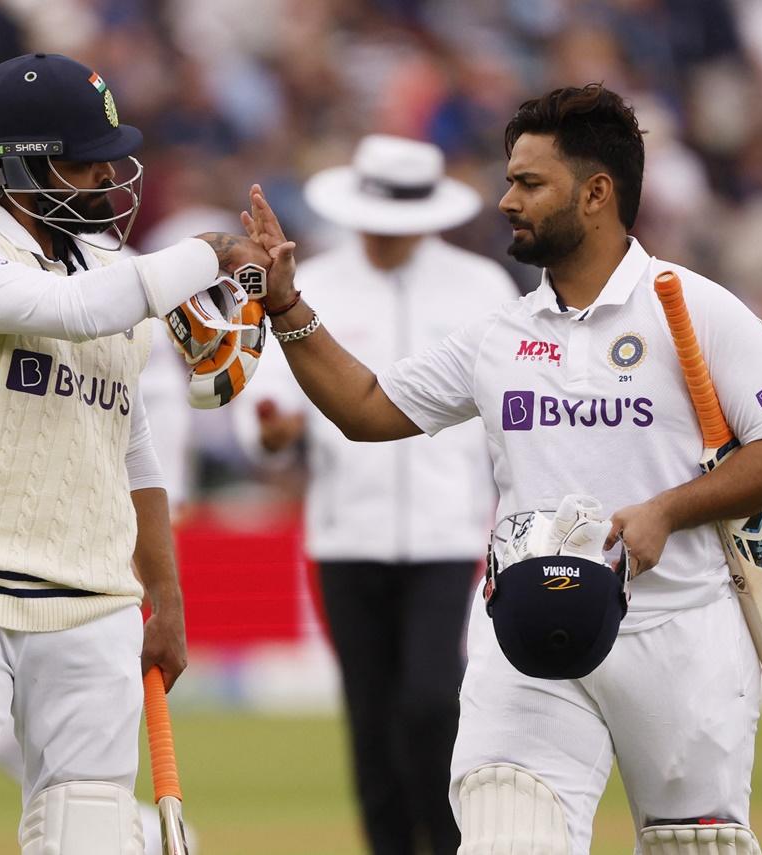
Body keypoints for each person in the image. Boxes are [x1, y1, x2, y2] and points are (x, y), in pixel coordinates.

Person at [242, 83, 762, 854]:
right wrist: (286, 309)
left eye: (529, 182)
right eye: (510, 178)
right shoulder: (500, 333)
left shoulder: (698, 310)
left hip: (678, 636)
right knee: (505, 833)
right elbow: (368, 408)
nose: (506, 198)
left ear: (597, 193)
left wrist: (666, 510)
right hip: (526, 635)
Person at [0, 53, 271, 855]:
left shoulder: (118, 271)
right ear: (18, 165)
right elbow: (72, 310)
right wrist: (212, 249)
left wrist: (165, 593)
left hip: (94, 598)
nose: (108, 174)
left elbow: (135, 439)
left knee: (89, 837)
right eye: (84, 159)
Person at [233, 133, 517, 855]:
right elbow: (261, 407)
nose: (387, 239)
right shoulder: (311, 283)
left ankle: (448, 838)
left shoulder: (481, 287)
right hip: (345, 534)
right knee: (369, 714)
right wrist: (271, 431)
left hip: (448, 531)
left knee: (429, 697)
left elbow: (516, 402)